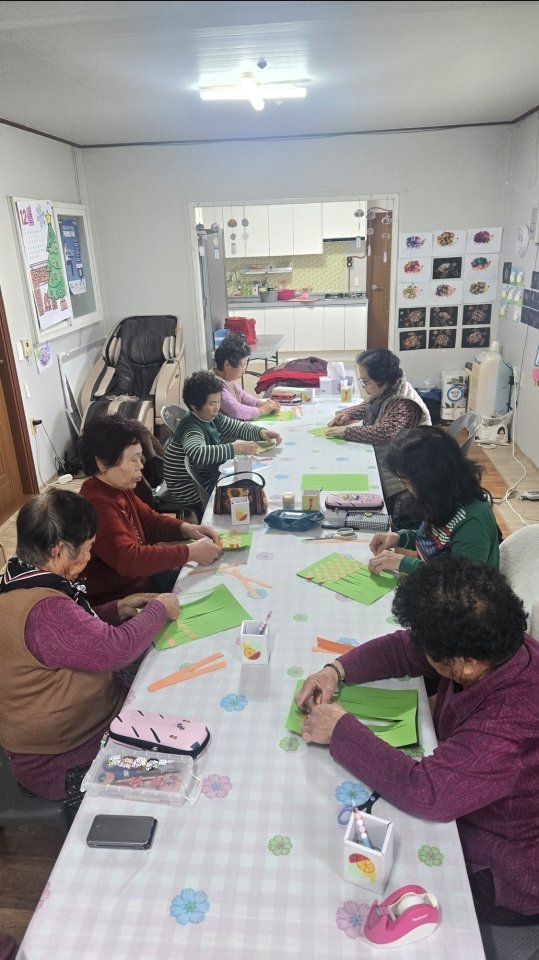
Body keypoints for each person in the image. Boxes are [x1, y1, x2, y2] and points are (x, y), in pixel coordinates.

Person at [295, 557, 539, 926]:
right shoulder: (491, 643)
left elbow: (428, 792)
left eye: (431, 652)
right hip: (468, 796)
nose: (420, 651)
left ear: (466, 663)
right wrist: (335, 671)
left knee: (372, 868)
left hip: (504, 864)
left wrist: (340, 728)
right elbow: (404, 649)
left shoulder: (512, 719)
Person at [0, 489, 180, 808]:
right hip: (65, 762)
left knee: (171, 711)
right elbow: (117, 650)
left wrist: (117, 608)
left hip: (72, 736)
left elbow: (67, 635)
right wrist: (160, 609)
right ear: (58, 551)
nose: (88, 558)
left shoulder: (18, 580)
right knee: (172, 773)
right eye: (86, 549)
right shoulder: (45, 610)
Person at [79, 413, 222, 605]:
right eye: (133, 460)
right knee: (209, 593)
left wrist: (186, 529)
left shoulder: (119, 487)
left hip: (143, 581)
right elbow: (128, 559)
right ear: (102, 463)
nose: (140, 465)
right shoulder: (95, 505)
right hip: (123, 600)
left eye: (140, 457)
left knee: (213, 579)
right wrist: (190, 552)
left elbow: (150, 521)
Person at [367, 426, 500, 575]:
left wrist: (403, 563)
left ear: (429, 480)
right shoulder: (444, 498)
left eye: (406, 481)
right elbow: (435, 539)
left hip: (455, 588)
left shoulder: (473, 524)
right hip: (434, 583)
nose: (403, 487)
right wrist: (399, 538)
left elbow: (460, 580)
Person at [325, 348, 431, 523]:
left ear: (382, 378)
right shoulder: (388, 390)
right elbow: (370, 404)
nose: (364, 387)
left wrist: (346, 431)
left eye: (365, 382)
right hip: (396, 458)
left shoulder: (402, 402)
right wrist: (350, 414)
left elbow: (385, 432)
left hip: (406, 473)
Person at [164, 370, 282, 513]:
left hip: (203, 478)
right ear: (194, 406)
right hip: (189, 489)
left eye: (219, 401)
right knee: (248, 494)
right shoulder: (192, 427)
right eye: (212, 403)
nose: (217, 407)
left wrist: (261, 433)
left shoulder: (211, 417)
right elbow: (198, 453)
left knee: (249, 485)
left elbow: (237, 427)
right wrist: (236, 448)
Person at [214, 334, 281, 419]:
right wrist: (262, 410)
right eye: (243, 365)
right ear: (227, 364)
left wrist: (259, 403)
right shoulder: (216, 386)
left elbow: (243, 395)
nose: (244, 370)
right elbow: (236, 410)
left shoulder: (227, 378)